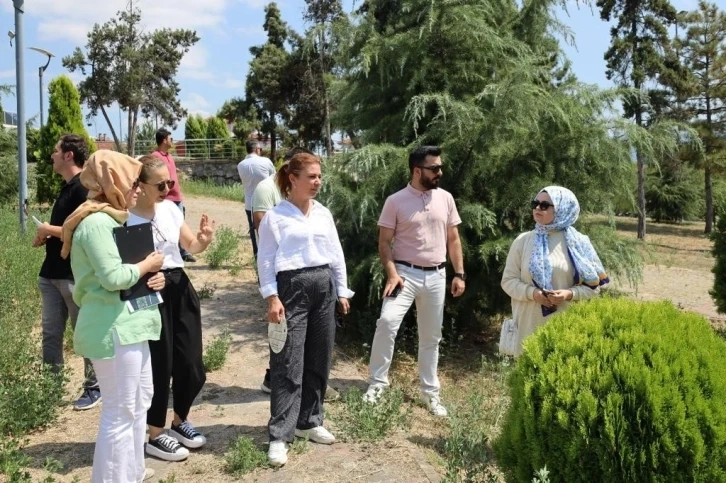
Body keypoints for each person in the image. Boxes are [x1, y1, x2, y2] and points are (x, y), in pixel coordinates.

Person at [61, 150, 166, 483]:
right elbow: (113, 278)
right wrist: (147, 266)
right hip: (113, 329)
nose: (137, 189)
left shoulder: (112, 219)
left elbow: (128, 276)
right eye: (133, 182)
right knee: (119, 413)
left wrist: (154, 278)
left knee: (139, 402)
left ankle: (132, 472)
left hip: (130, 325)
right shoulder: (95, 224)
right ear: (113, 181)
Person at [257, 152, 354, 467]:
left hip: (323, 286)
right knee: (287, 362)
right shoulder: (276, 217)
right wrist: (272, 297)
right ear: (293, 179)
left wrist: (342, 289)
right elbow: (266, 260)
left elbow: (335, 252)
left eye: (319, 176)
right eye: (311, 176)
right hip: (292, 289)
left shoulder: (323, 213)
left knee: (319, 358)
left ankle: (309, 421)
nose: (317, 182)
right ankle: (279, 435)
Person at [363, 146, 465, 417]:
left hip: (437, 275)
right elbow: (384, 243)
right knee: (386, 322)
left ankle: (430, 394)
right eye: (434, 168)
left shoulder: (445, 198)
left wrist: (459, 273)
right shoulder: (395, 201)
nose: (440, 172)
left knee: (431, 336)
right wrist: (392, 274)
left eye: (440, 167)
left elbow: (453, 238)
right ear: (417, 170)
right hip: (404, 275)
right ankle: (377, 384)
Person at [128, 155, 215, 462]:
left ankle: (179, 420)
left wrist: (203, 242)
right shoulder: (127, 217)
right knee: (158, 365)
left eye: (170, 183)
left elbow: (189, 246)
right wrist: (146, 278)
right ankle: (154, 433)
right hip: (149, 290)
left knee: (191, 362)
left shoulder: (171, 209)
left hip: (179, 284)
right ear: (140, 185)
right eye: (160, 184)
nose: (167, 188)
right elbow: (127, 268)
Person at [32, 134, 101, 410]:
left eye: (56, 150)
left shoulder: (83, 189)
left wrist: (49, 230)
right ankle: (51, 388)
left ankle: (94, 387)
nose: (51, 155)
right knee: (50, 333)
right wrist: (48, 236)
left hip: (74, 276)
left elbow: (85, 234)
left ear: (69, 155)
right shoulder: (66, 188)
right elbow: (66, 231)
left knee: (83, 333)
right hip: (50, 274)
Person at [500, 186, 608, 357]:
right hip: (528, 328)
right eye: (535, 203)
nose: (537, 208)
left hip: (566, 328)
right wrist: (533, 293)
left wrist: (568, 294)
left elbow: (594, 289)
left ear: (562, 208)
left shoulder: (579, 243)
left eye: (544, 205)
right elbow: (508, 281)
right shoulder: (522, 241)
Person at [251, 146, 312, 394]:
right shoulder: (266, 188)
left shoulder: (306, 189)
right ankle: (273, 378)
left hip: (303, 268)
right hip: (281, 270)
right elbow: (260, 224)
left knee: (305, 332)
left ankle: (306, 379)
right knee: (284, 329)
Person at [151, 128, 195, 263]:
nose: (172, 141)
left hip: (177, 197)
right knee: (165, 226)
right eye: (170, 139)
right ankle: (171, 251)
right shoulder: (155, 156)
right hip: (165, 199)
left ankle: (183, 251)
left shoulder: (169, 156)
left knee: (180, 223)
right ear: (164, 140)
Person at [238, 139, 275, 257]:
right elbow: (274, 178)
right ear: (257, 149)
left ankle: (257, 256)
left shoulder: (241, 165)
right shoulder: (265, 161)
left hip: (250, 204)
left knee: (254, 232)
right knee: (270, 231)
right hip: (266, 202)